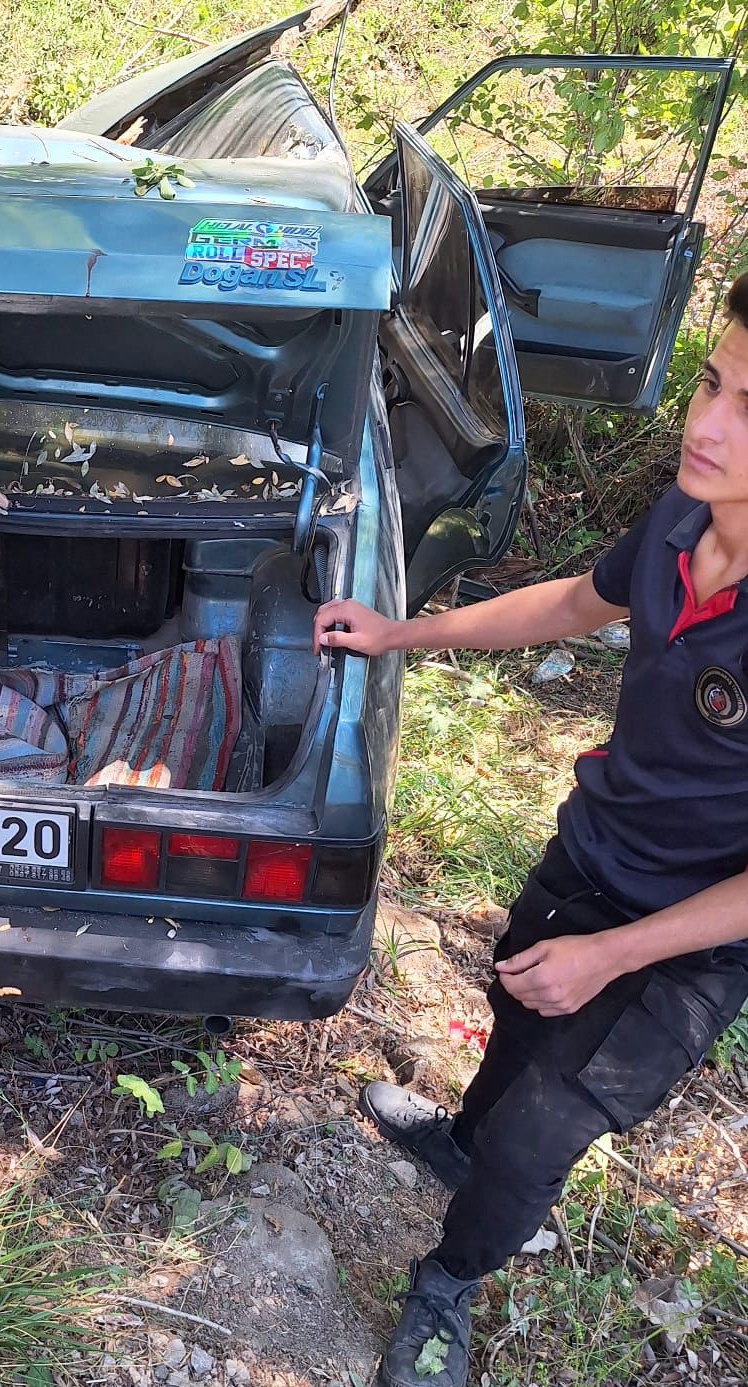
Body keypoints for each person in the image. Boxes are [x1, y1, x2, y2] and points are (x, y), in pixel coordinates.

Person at [314, 279, 748, 1387]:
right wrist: (402, 630)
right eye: (711, 382)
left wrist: (613, 953)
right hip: (591, 850)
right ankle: (456, 1141)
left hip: (691, 937)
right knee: (514, 1008)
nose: (705, 426)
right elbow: (569, 605)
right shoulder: (679, 524)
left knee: (542, 1131)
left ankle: (446, 1286)